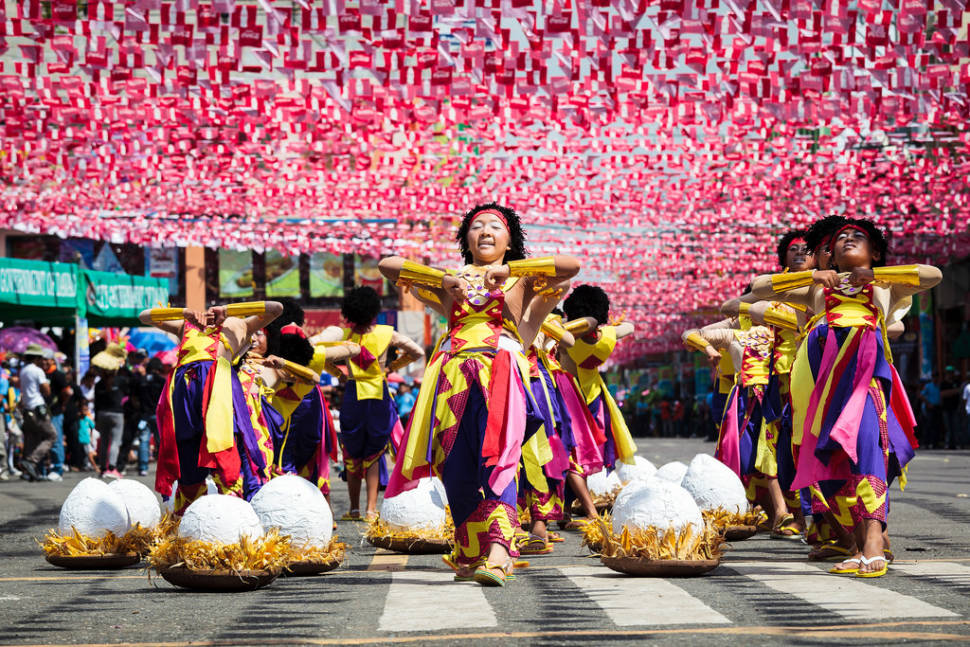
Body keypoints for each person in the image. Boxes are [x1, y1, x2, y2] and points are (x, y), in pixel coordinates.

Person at [379, 202, 580, 586]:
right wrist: (441, 282)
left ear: (509, 240)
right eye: (476, 226)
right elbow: (388, 265)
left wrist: (512, 270)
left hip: (500, 372)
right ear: (465, 239)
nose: (485, 231)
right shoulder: (452, 280)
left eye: (494, 226)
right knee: (455, 464)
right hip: (452, 374)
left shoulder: (521, 280)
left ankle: (501, 551)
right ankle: (470, 550)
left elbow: (570, 267)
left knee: (499, 458)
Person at [751, 218, 942, 577]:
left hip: (865, 379)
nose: (848, 240)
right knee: (830, 458)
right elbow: (759, 288)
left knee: (868, 446)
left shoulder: (886, 286)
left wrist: (878, 274)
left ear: (875, 252)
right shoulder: (818, 291)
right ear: (830, 256)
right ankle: (858, 541)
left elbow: (934, 276)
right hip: (824, 389)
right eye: (841, 239)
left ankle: (872, 540)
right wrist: (811, 277)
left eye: (859, 237)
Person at [141, 301, 283, 514]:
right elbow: (145, 317)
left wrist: (229, 311)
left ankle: (233, 519)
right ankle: (188, 519)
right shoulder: (185, 326)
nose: (211, 312)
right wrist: (186, 312)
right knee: (186, 456)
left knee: (223, 452)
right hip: (184, 393)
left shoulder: (240, 326)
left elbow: (276, 309)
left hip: (217, 393)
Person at [316, 286, 425, 520]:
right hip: (378, 392)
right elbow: (416, 352)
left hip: (354, 394)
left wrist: (338, 373)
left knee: (352, 451)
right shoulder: (387, 333)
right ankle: (370, 509)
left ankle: (354, 509)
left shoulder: (345, 336)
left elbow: (319, 355)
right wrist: (391, 368)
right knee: (374, 452)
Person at [560, 285, 638, 472]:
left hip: (567, 394)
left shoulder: (564, 335)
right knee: (591, 444)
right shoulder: (608, 336)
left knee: (569, 445)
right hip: (594, 394)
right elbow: (630, 327)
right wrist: (608, 325)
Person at [17, 344, 56, 482]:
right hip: (37, 408)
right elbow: (47, 391)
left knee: (32, 439)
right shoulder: (37, 371)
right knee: (51, 436)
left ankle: (28, 470)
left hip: (27, 409)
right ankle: (32, 461)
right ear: (36, 358)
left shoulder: (23, 370)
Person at [92, 343, 130, 479]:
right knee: (115, 441)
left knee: (104, 441)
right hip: (117, 413)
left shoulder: (98, 384)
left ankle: (102, 468)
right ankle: (112, 468)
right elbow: (127, 395)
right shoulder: (120, 381)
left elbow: (96, 403)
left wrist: (96, 419)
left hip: (102, 414)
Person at [77, 401, 98, 473]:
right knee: (82, 454)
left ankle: (95, 467)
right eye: (83, 410)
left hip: (86, 440)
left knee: (89, 454)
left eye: (86, 410)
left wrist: (91, 436)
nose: (84, 412)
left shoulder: (87, 419)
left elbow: (92, 427)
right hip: (79, 440)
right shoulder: (78, 419)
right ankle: (84, 466)